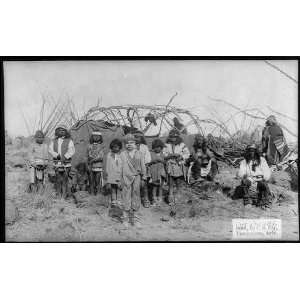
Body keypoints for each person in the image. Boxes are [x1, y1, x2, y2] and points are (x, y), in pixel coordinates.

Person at [237, 144, 271, 208]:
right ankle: (247, 201)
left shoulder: (262, 160)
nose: (251, 152)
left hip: (260, 178)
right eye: (250, 151)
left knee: (263, 184)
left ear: (256, 151)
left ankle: (264, 202)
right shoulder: (244, 162)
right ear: (247, 152)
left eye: (253, 151)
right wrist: (244, 175)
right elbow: (241, 171)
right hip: (250, 178)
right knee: (244, 181)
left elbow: (266, 170)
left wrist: (265, 177)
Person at [120, 134, 147, 214]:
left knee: (136, 191)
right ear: (124, 145)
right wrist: (119, 178)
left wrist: (144, 177)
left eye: (131, 142)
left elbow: (143, 166)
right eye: (127, 143)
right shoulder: (122, 154)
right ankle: (126, 210)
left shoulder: (139, 153)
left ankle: (135, 210)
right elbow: (120, 167)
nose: (129, 145)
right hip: (126, 176)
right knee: (126, 192)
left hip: (136, 176)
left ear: (135, 144)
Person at [163, 129, 190, 205]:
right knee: (171, 182)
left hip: (178, 165)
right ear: (169, 137)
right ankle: (170, 199)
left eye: (175, 137)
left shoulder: (182, 145)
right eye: (171, 137)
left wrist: (181, 156)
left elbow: (187, 154)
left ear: (178, 137)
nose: (173, 138)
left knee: (178, 181)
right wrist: (170, 155)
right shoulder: (167, 145)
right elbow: (164, 153)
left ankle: (178, 197)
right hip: (170, 164)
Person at [48, 124, 75, 197]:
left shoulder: (69, 141)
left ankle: (64, 195)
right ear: (57, 131)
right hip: (57, 163)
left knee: (65, 179)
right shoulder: (53, 141)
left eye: (63, 130)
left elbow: (71, 150)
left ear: (66, 132)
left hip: (66, 164)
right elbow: (50, 150)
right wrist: (56, 155)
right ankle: (59, 194)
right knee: (58, 179)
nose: (62, 132)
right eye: (60, 130)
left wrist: (66, 157)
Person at [133, 130, 151, 207]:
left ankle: (146, 199)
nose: (136, 139)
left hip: (143, 167)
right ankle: (135, 200)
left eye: (138, 137)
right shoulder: (130, 146)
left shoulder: (144, 147)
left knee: (144, 184)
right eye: (135, 137)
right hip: (133, 169)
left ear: (141, 138)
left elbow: (147, 157)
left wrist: (145, 165)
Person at [104, 138, 123, 207]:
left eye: (117, 147)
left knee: (119, 188)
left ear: (119, 147)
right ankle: (114, 200)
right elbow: (107, 165)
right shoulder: (109, 155)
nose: (115, 149)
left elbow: (123, 165)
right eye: (113, 147)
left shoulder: (122, 155)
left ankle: (119, 200)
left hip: (119, 174)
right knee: (113, 188)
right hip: (112, 174)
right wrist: (107, 175)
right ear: (111, 148)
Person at [148, 139, 167, 206]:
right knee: (154, 187)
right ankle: (153, 199)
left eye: (159, 147)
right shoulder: (151, 154)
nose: (157, 149)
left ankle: (160, 199)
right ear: (153, 147)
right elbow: (148, 163)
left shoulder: (163, 155)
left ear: (161, 147)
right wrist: (153, 161)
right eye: (155, 147)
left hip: (161, 173)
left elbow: (166, 163)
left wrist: (162, 161)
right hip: (154, 173)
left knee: (161, 187)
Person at [87, 131, 105, 195]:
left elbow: (101, 156)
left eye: (98, 136)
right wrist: (91, 159)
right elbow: (89, 154)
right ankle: (91, 192)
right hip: (91, 165)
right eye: (94, 136)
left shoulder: (101, 146)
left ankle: (98, 193)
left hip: (98, 165)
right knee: (91, 180)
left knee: (97, 180)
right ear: (92, 137)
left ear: (100, 137)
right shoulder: (89, 146)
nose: (96, 138)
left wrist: (94, 159)